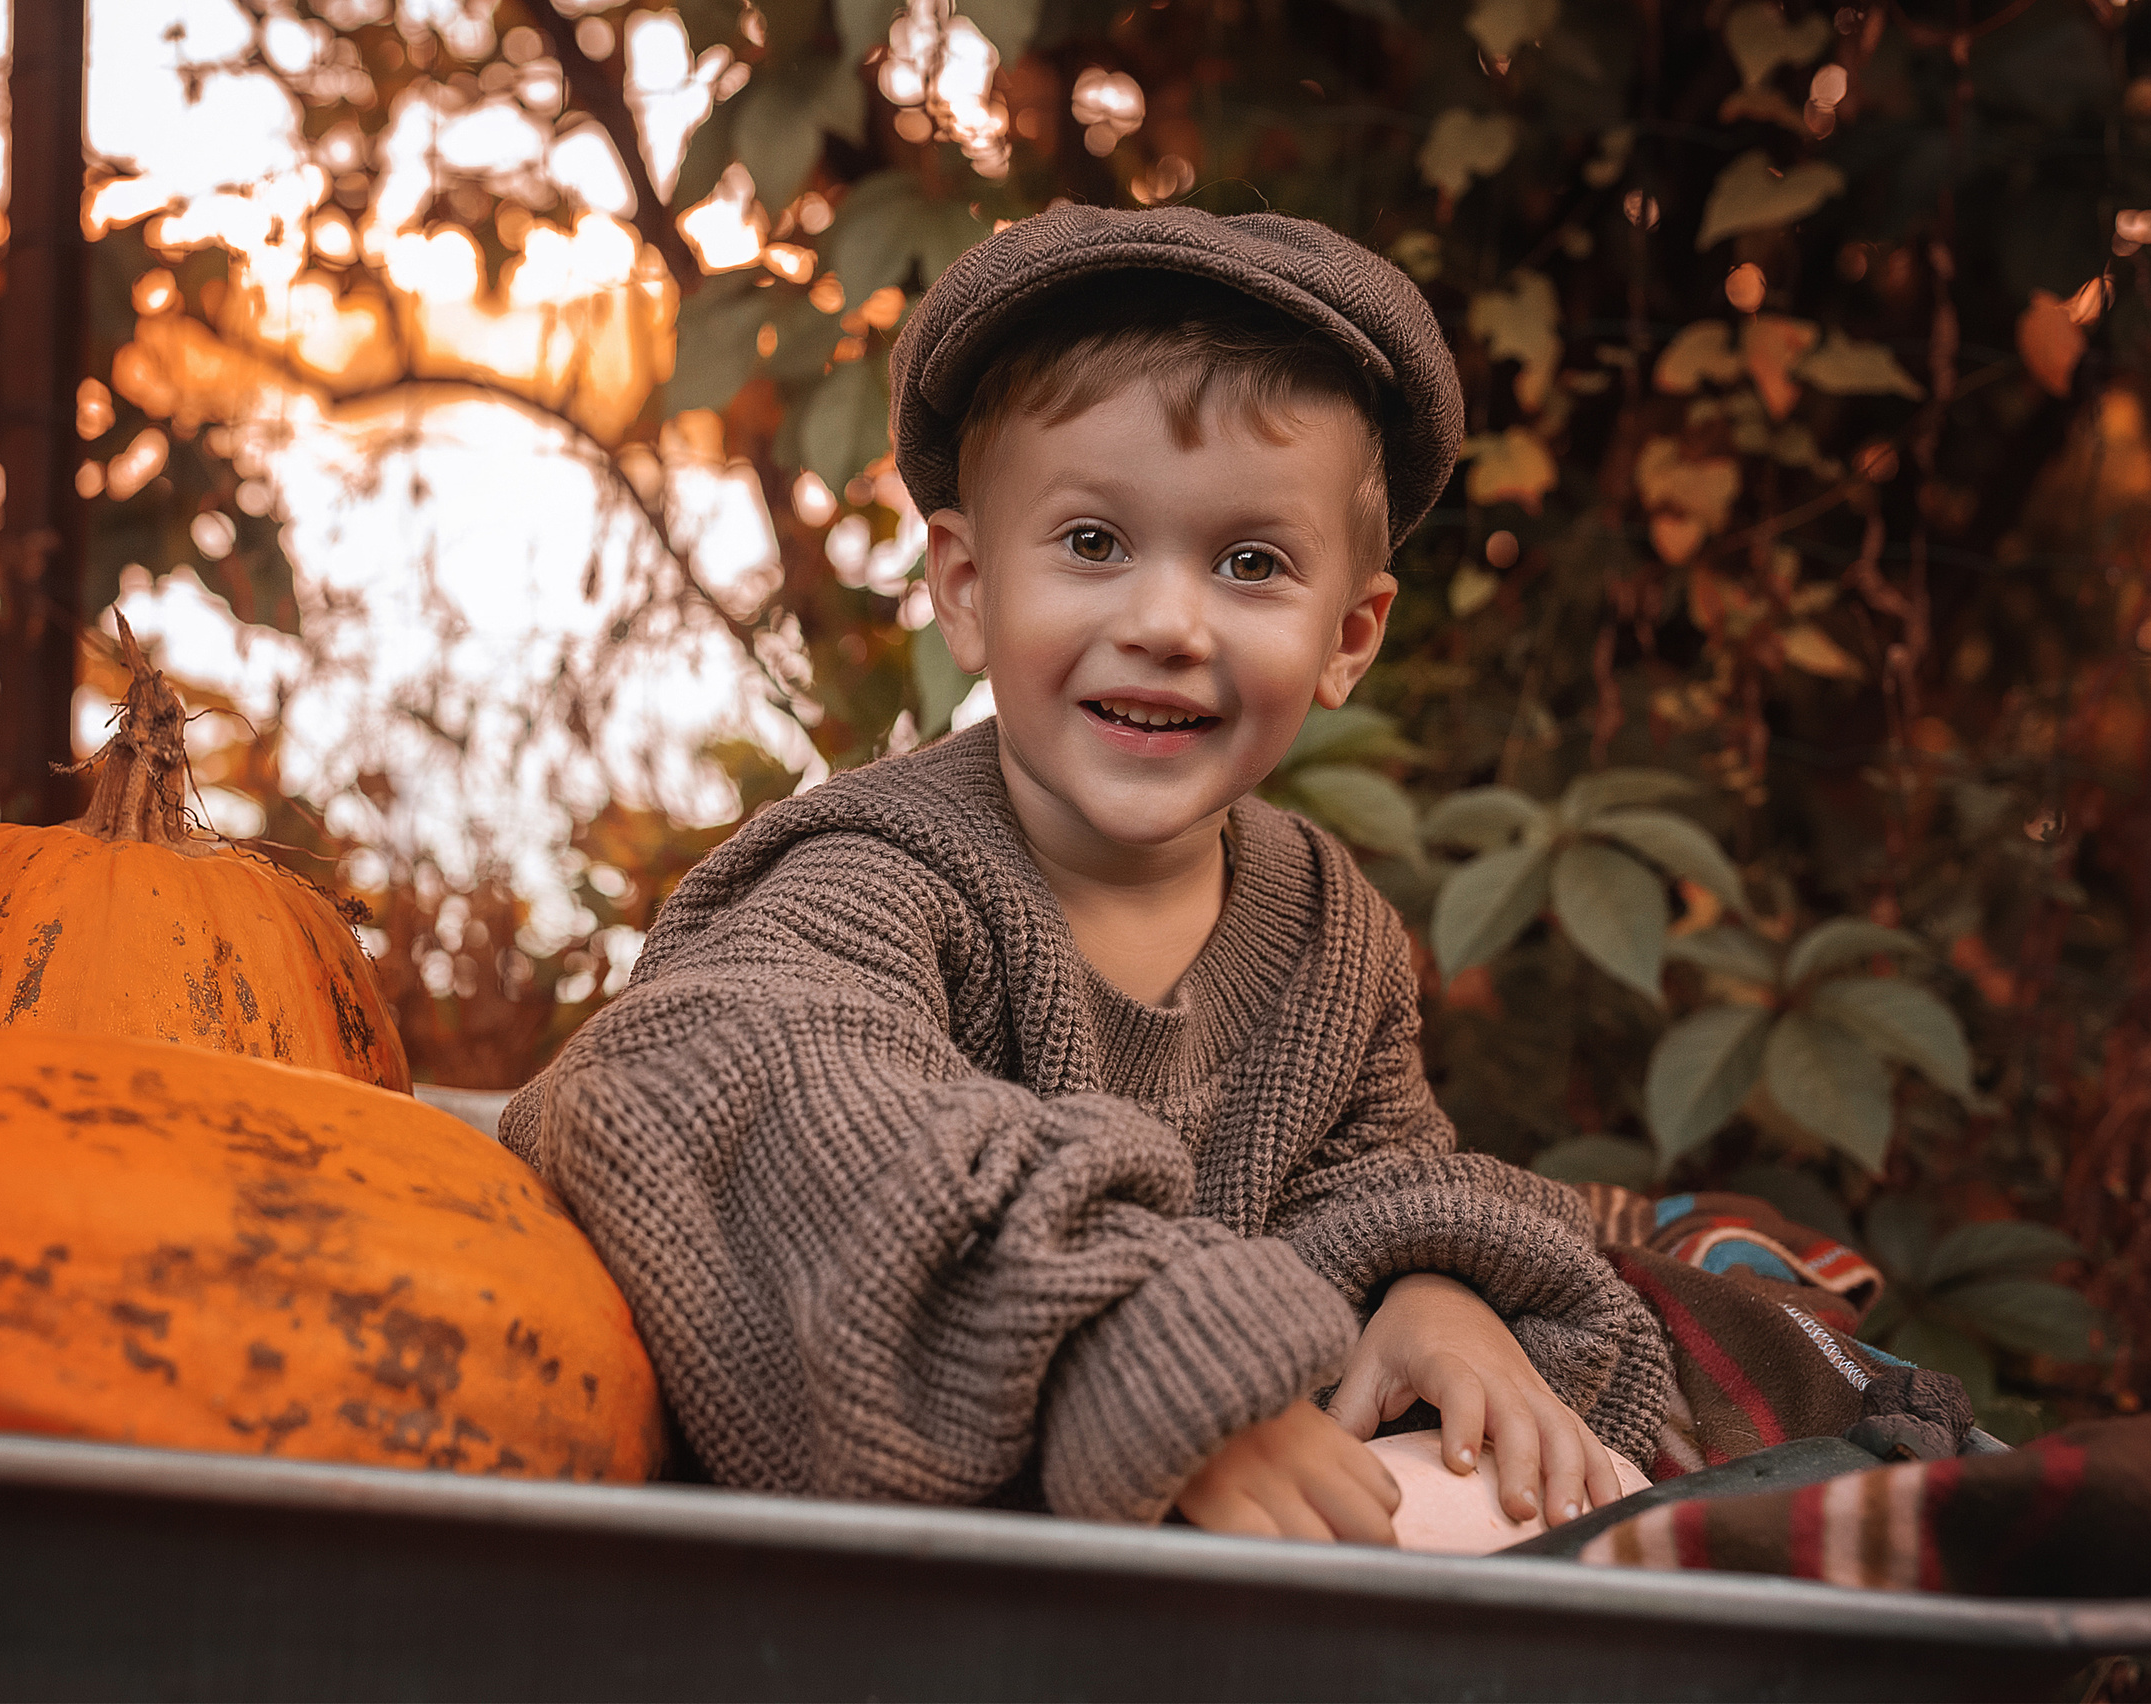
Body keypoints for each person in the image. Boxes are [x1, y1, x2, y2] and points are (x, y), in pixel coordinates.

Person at [499, 205, 1673, 1544]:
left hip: (1214, 1520)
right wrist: (1138, 1360)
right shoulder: (883, 875)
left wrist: (1432, 1288)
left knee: (1552, 1485)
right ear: (965, 584)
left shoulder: (1327, 927)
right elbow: (742, 1079)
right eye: (1094, 544)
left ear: (1350, 636)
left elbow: (1367, 1168)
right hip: (908, 1535)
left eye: (1251, 564)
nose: (1166, 624)